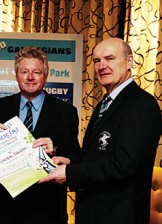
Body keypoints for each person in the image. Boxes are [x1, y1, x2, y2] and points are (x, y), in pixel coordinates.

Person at [39, 38, 162, 224]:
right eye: (97, 61)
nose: (102, 66)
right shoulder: (105, 104)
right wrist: (69, 161)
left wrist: (70, 173)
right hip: (95, 213)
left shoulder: (142, 105)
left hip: (119, 216)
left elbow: (124, 163)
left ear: (129, 61)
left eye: (110, 58)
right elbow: (98, 156)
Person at [0, 46, 80, 224]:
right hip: (7, 208)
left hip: (47, 208)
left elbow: (75, 156)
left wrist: (55, 149)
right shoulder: (1, 107)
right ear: (16, 75)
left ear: (45, 76)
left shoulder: (66, 112)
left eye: (36, 72)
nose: (30, 77)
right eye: (24, 71)